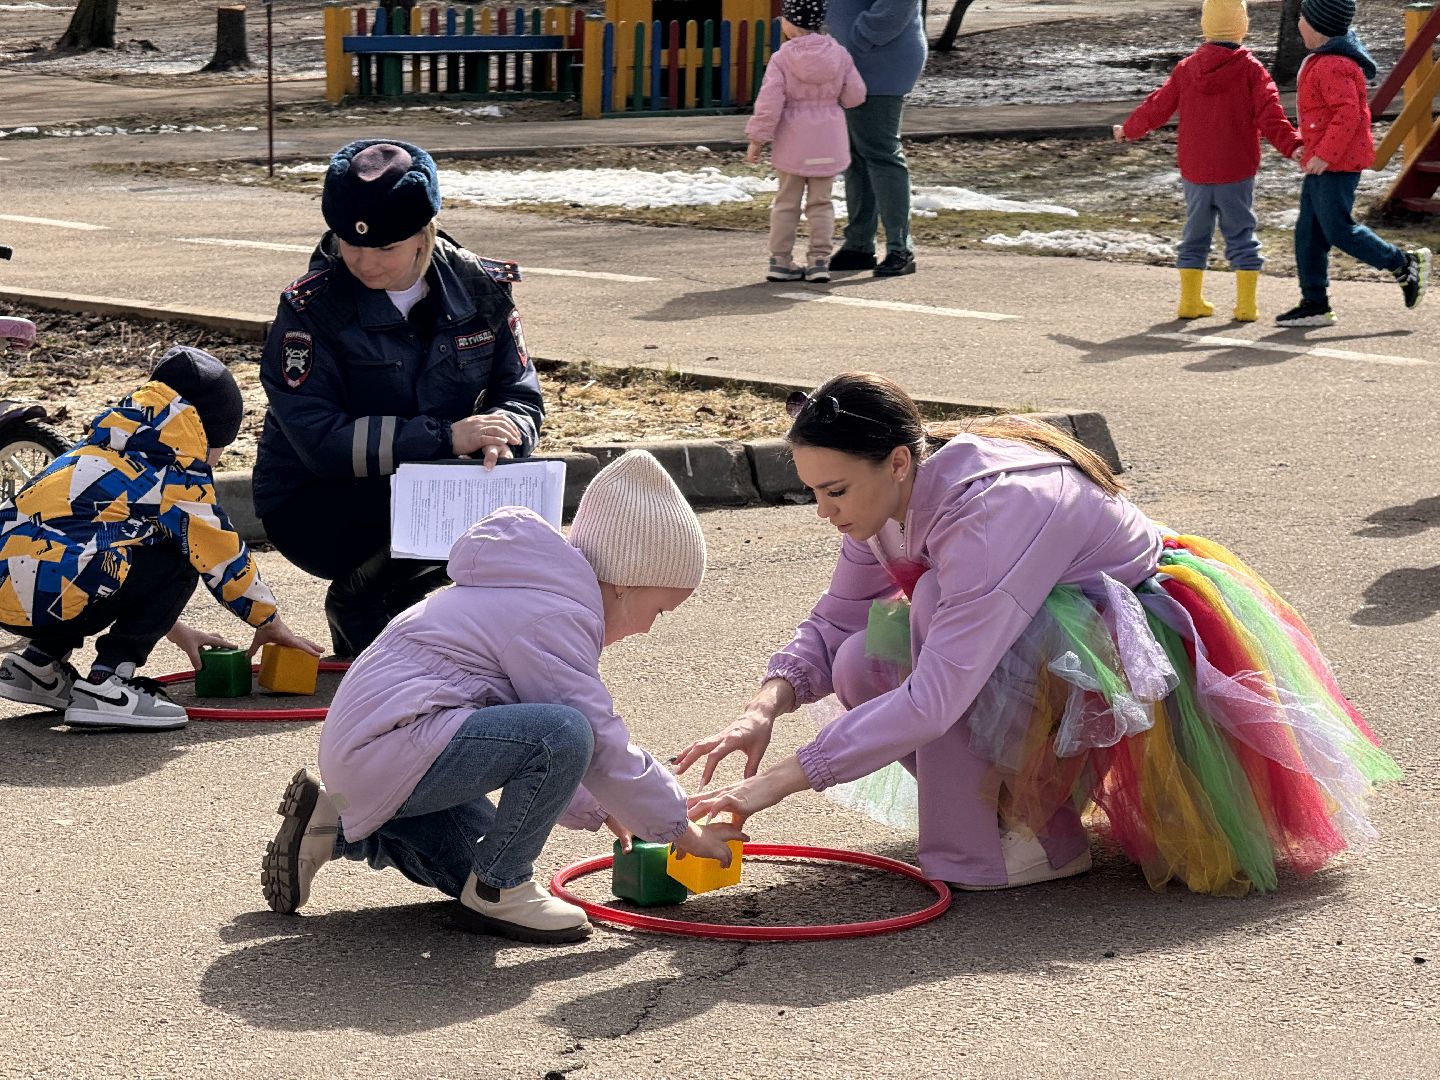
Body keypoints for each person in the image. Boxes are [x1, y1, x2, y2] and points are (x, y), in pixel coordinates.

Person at [675, 372, 1399, 896]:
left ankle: (1039, 838)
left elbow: (935, 696)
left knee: (926, 618)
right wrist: (761, 710)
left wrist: (764, 791)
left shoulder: (993, 514)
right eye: (812, 492)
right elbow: (836, 620)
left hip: (1132, 642)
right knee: (866, 654)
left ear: (899, 462)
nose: (823, 511)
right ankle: (1006, 814)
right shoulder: (883, 501)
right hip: (1047, 640)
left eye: (834, 491)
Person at [260, 450, 745, 944]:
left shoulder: (535, 593)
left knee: (468, 870)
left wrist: (610, 806)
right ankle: (502, 889)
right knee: (565, 731)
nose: (647, 629)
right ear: (624, 584)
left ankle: (331, 827)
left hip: (387, 756)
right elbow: (591, 741)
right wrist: (682, 830)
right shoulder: (555, 615)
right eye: (659, 610)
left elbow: (533, 746)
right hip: (395, 747)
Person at [253, 138, 545, 659]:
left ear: (422, 233)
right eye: (350, 242)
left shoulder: (481, 288)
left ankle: (402, 600)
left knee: (510, 515)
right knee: (437, 503)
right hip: (319, 501)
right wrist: (446, 438)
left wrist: (506, 432)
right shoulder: (312, 308)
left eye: (384, 246)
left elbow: (519, 391)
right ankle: (357, 600)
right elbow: (319, 438)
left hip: (427, 488)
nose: (364, 261)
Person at [0, 346, 320, 730]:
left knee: (82, 558)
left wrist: (175, 628)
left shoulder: (95, 449)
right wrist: (267, 620)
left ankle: (37, 665)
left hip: (12, 598)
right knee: (181, 553)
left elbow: (105, 562)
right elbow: (221, 554)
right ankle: (108, 682)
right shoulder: (177, 471)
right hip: (61, 593)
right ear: (207, 431)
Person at [1113, 0, 1301, 322]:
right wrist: (1294, 146)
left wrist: (1129, 129)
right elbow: (1272, 116)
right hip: (1235, 169)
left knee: (1195, 232)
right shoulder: (1252, 70)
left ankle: (1190, 301)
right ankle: (1245, 305)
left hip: (1195, 169)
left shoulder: (1187, 69)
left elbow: (1158, 105)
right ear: (1242, 25)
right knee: (1241, 232)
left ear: (1206, 26)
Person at [1275, 0, 1430, 327]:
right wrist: (1309, 147)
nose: (1298, 22)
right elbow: (1324, 116)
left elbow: (1350, 115)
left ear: (1317, 27)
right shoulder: (1322, 60)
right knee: (1309, 233)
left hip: (1337, 165)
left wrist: (1324, 154)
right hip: (1322, 163)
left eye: (1302, 17)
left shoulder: (1334, 65)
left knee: (1338, 230)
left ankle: (1403, 263)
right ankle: (1315, 303)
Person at [746, 0, 867, 284]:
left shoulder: (782, 58)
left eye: (783, 19)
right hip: (828, 140)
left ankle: (780, 261)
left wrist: (757, 139)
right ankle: (819, 261)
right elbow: (855, 96)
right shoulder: (839, 54)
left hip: (793, 140)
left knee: (786, 202)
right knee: (822, 203)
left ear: (792, 24)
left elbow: (769, 103)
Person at [825, 0, 925, 277]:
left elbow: (897, 5)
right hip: (851, 59)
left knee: (880, 152)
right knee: (855, 154)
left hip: (879, 59)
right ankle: (859, 244)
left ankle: (900, 248)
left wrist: (859, 38)